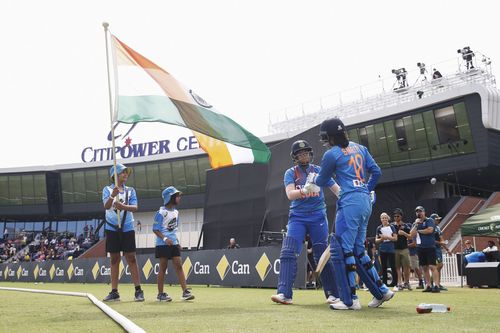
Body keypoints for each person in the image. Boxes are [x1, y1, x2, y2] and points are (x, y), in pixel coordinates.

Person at [308, 117, 394, 310]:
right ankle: (382, 290)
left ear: (330, 137)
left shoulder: (332, 154)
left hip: (350, 203)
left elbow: (321, 181)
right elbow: (376, 172)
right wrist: (365, 188)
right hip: (365, 201)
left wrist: (312, 179)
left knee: (344, 250)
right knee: (359, 250)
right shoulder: (360, 148)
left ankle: (351, 300)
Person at [271, 139, 340, 305]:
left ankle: (333, 294)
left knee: (322, 253)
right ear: (295, 157)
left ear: (310, 154)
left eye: (306, 152)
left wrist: (349, 198)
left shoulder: (319, 170)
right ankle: (284, 294)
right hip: (298, 216)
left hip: (318, 216)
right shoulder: (291, 173)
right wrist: (304, 190)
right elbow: (290, 194)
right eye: (300, 153)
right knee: (288, 251)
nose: (304, 155)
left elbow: (335, 188)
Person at [102, 163, 144, 302]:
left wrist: (123, 206)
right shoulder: (107, 190)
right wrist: (112, 196)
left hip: (127, 226)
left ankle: (138, 290)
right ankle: (114, 292)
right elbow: (106, 206)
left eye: (126, 172)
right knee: (114, 259)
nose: (125, 175)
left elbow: (135, 207)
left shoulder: (131, 190)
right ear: (114, 175)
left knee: (131, 257)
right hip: (112, 227)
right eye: (122, 172)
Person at [153, 186, 195, 302]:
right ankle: (160, 294)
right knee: (163, 267)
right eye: (177, 196)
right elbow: (155, 229)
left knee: (179, 265)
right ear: (170, 197)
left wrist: (177, 243)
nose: (179, 198)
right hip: (162, 244)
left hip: (173, 244)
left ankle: (185, 291)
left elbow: (174, 229)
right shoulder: (161, 212)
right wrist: (165, 239)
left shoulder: (176, 212)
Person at [410, 206, 439, 293]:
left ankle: (436, 285)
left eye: (420, 211)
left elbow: (429, 230)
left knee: (432, 266)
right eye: (417, 212)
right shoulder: (416, 223)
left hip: (430, 247)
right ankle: (428, 285)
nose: (419, 213)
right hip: (420, 248)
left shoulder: (429, 220)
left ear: (424, 212)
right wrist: (416, 225)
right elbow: (411, 234)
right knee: (424, 267)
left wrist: (419, 231)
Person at [375, 212, 397, 288]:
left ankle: (395, 284)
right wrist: (382, 238)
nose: (384, 219)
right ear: (380, 219)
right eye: (382, 218)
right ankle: (384, 284)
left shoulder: (392, 227)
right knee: (383, 267)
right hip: (382, 249)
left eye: (385, 217)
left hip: (391, 249)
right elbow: (376, 240)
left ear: (388, 218)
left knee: (393, 266)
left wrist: (387, 237)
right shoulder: (379, 228)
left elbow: (395, 238)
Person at [431, 213, 452, 291]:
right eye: (437, 219)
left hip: (438, 249)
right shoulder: (431, 228)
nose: (438, 221)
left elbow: (441, 239)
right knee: (437, 266)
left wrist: (447, 249)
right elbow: (431, 240)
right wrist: (441, 243)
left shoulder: (438, 228)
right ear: (432, 220)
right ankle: (434, 282)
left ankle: (438, 283)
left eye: (438, 219)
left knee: (440, 266)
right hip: (433, 249)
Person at [392, 208, 412, 291]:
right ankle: (399, 283)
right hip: (395, 248)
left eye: (398, 216)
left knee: (406, 266)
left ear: (401, 216)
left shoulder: (406, 225)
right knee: (397, 267)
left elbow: (410, 236)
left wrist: (403, 233)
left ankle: (406, 282)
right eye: (395, 216)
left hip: (404, 248)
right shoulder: (391, 226)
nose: (396, 217)